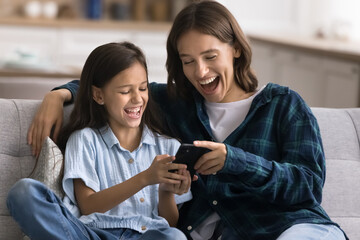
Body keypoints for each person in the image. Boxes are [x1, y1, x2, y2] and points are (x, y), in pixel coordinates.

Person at [26, 1, 348, 240]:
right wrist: (58, 96)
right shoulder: (175, 102)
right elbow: (113, 86)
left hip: (290, 227)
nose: (201, 73)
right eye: (188, 62)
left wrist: (234, 161)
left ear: (235, 49)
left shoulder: (284, 105)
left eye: (210, 57)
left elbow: (307, 187)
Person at [7, 42, 192, 240]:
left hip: (145, 236)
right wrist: (146, 178)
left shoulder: (169, 146)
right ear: (98, 95)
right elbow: (88, 206)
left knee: (175, 237)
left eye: (143, 88)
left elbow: (171, 222)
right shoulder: (85, 139)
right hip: (90, 234)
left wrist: (165, 191)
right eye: (125, 91)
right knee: (24, 192)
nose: (137, 99)